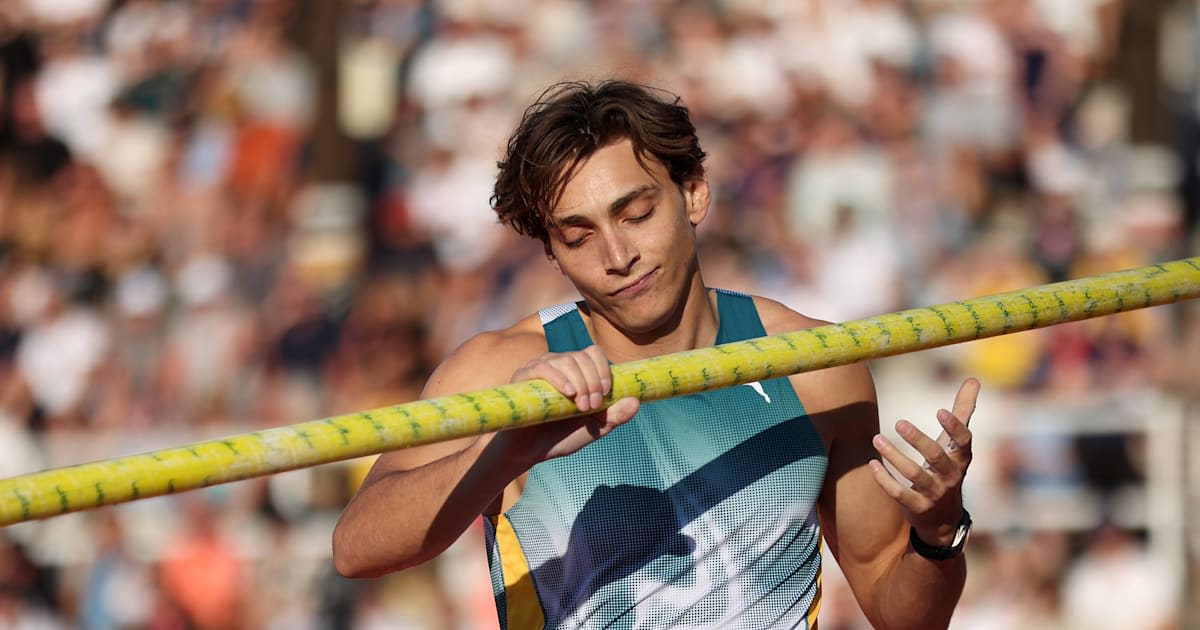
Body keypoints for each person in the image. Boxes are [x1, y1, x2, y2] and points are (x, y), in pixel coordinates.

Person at [332, 80, 980, 630]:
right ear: (552, 252)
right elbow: (357, 548)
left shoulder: (814, 366)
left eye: (636, 213)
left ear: (693, 193)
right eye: (579, 236)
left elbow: (899, 612)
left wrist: (937, 531)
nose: (617, 258)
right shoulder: (501, 375)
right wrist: (504, 451)